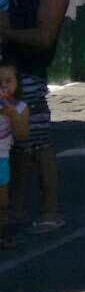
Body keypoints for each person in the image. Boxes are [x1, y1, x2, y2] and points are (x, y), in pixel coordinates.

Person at [2, 0, 69, 233]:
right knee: (14, 146)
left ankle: (51, 209)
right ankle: (16, 208)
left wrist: (4, 31)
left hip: (29, 75)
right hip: (10, 75)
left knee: (39, 145)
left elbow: (44, 38)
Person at [0, 59, 27, 249]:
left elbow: (22, 134)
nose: (3, 85)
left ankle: (3, 233)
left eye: (8, 81)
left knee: (2, 200)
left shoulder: (20, 107)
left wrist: (12, 115)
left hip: (2, 157)